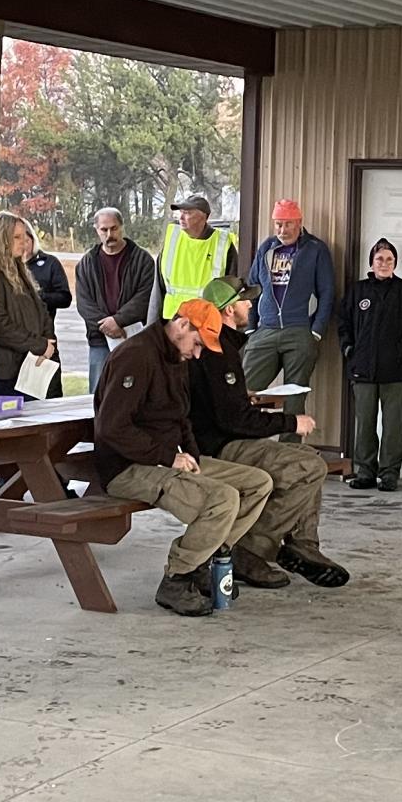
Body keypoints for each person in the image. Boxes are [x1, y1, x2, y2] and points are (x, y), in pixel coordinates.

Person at [93, 299, 273, 616]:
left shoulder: (176, 355)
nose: (197, 353)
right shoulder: (136, 356)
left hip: (167, 458)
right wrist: (168, 457)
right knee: (223, 498)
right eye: (198, 343)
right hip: (128, 467)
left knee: (257, 483)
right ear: (182, 324)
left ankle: (207, 557)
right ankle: (177, 578)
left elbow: (182, 416)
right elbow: (112, 428)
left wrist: (191, 453)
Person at [190, 279, 350, 588]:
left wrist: (241, 396)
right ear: (227, 310)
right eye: (244, 301)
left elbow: (226, 406)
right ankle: (248, 547)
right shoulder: (217, 349)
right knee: (309, 467)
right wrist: (290, 422)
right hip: (219, 446)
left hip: (227, 437)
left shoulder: (225, 345)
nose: (250, 305)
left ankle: (304, 545)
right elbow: (235, 422)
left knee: (309, 457)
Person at [336, 238, 402, 492]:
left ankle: (389, 474)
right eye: (380, 259)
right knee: (365, 423)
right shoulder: (357, 291)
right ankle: (365, 472)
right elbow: (343, 324)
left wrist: (401, 351)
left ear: (395, 263)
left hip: (397, 372)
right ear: (372, 262)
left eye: (389, 259)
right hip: (363, 370)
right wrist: (349, 350)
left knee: (392, 426)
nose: (384, 263)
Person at [242, 198, 336, 417]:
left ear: (299, 222)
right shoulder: (267, 247)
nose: (282, 230)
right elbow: (253, 287)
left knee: (294, 399)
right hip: (265, 330)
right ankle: (243, 447)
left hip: (300, 331)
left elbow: (327, 292)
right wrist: (251, 327)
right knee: (245, 392)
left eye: (288, 224)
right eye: (278, 224)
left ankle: (289, 448)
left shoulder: (315, 249)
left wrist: (316, 331)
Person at [75, 206, 159, 391]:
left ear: (122, 227)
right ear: (96, 230)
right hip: (99, 339)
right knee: (99, 391)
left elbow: (145, 296)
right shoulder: (87, 263)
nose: (109, 234)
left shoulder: (142, 259)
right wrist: (107, 326)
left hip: (133, 336)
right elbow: (84, 303)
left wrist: (119, 320)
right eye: (104, 229)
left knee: (134, 389)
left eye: (114, 228)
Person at [0, 212, 60, 397]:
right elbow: (0, 324)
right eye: (17, 237)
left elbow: (42, 310)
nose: (24, 242)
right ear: (1, 239)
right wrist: (38, 345)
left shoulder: (20, 270)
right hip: (9, 368)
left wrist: (47, 341)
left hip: (33, 361)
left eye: (25, 236)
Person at [158, 193, 237, 316]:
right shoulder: (172, 239)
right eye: (181, 212)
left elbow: (231, 290)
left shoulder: (222, 244)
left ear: (204, 217)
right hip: (173, 323)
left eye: (188, 213)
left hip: (206, 322)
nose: (181, 217)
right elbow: (158, 287)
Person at [27, 234, 72, 316]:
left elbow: (65, 298)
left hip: (42, 324)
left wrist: (40, 297)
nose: (22, 244)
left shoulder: (50, 263)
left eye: (26, 240)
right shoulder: (6, 264)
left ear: (33, 240)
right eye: (16, 238)